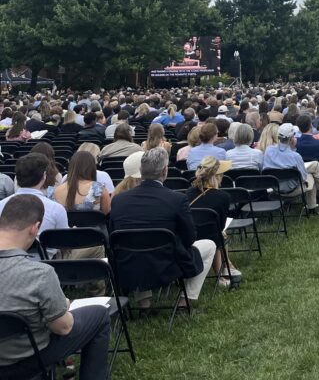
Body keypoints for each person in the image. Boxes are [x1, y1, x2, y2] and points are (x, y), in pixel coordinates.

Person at [0, 195, 110, 379]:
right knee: (99, 316)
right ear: (35, 229)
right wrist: (63, 305)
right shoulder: (39, 274)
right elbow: (63, 328)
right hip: (26, 359)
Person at [108, 148, 216, 310]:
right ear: (165, 171)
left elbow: (114, 237)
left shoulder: (118, 200)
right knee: (209, 245)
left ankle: (144, 304)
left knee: (137, 244)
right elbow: (189, 238)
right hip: (166, 266)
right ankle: (184, 302)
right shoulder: (177, 199)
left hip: (128, 265)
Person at [184, 156, 241, 287]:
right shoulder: (223, 197)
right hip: (210, 238)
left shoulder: (189, 192)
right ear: (217, 176)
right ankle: (223, 271)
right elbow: (220, 226)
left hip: (190, 235)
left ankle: (226, 266)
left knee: (216, 232)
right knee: (220, 233)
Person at [262, 123, 319, 210]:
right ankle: (318, 201)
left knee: (314, 165)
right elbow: (303, 178)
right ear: (292, 138)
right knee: (311, 176)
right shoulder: (295, 156)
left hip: (274, 186)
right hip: (291, 189)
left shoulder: (269, 150)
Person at [0, 154, 69, 249]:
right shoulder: (56, 209)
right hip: (50, 261)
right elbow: (65, 242)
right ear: (44, 176)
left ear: (17, 176)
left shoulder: (1, 205)